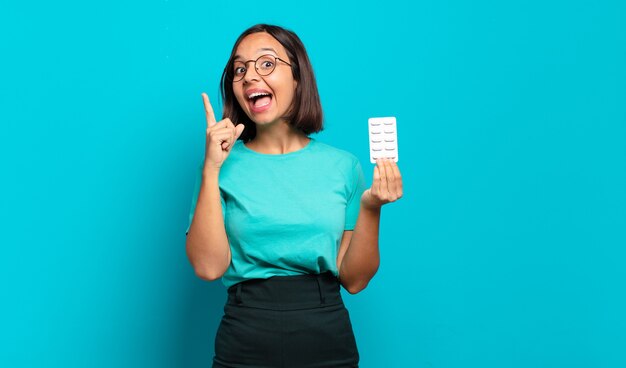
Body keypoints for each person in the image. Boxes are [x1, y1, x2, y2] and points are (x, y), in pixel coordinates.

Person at [185, 23, 403, 368]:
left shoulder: (343, 166)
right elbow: (208, 267)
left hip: (325, 333)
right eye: (240, 69)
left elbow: (355, 280)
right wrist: (210, 170)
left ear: (298, 77)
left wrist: (371, 208)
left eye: (267, 64)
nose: (250, 76)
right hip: (245, 334)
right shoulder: (219, 165)